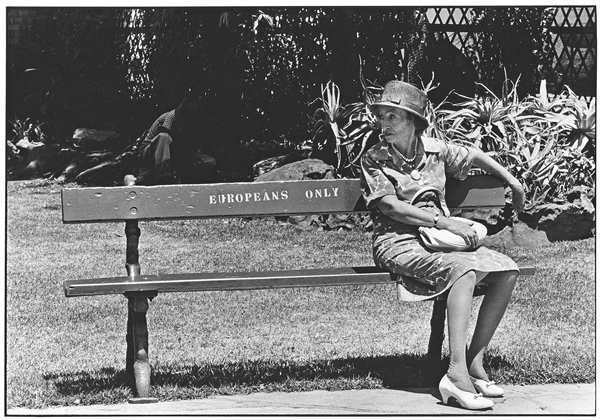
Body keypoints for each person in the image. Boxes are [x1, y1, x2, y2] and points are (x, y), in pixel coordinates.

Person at [360, 81, 526, 411]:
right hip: (399, 242)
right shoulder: (375, 158)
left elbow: (475, 154)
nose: (385, 124)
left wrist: (513, 182)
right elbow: (390, 207)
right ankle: (456, 374)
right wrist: (444, 222)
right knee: (463, 271)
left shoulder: (436, 150)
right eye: (383, 116)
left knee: (507, 270)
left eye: (394, 117)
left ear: (414, 122)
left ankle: (475, 363)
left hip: (440, 242)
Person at [137, 98, 216, 185]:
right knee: (164, 136)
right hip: (151, 152)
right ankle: (162, 175)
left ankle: (185, 176)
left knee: (210, 161)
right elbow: (164, 137)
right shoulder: (170, 117)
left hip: (176, 155)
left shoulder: (194, 124)